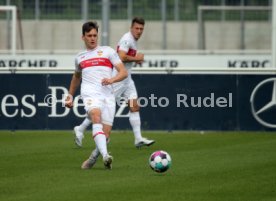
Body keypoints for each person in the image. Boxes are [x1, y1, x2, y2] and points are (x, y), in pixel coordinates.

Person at [74, 17, 155, 149]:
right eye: (137, 28)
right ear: (131, 28)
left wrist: (135, 60)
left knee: (134, 106)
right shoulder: (127, 39)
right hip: (117, 78)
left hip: (127, 79)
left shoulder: (133, 40)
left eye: (141, 29)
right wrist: (137, 58)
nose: (139, 31)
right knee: (100, 108)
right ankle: (80, 128)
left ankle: (138, 138)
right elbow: (121, 56)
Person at [65, 21, 128, 170]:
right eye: (89, 36)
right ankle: (106, 156)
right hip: (89, 93)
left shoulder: (108, 51)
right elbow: (76, 77)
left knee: (105, 136)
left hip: (108, 95)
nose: (92, 38)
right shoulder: (80, 58)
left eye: (95, 35)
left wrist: (111, 79)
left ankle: (93, 158)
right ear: (83, 37)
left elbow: (123, 72)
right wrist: (70, 95)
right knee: (95, 116)